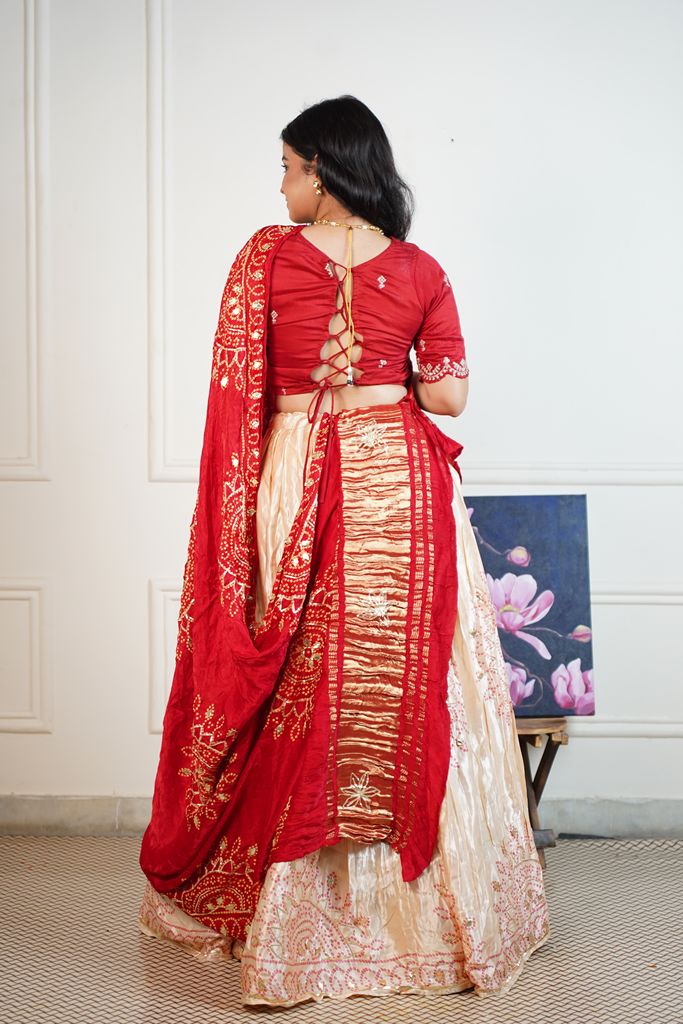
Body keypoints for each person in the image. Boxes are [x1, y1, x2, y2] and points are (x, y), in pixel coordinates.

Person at [137, 94, 551, 1007]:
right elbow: (447, 399)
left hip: (296, 474)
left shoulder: (264, 259)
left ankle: (298, 926)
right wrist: (386, 366)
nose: (282, 185)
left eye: (289, 167)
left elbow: (241, 396)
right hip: (399, 478)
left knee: (303, 669)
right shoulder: (421, 267)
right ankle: (435, 921)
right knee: (416, 670)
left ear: (321, 170)